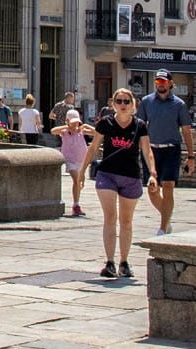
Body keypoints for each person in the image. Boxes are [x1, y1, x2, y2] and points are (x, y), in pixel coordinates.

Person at [82, 86, 157, 279]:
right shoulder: (105, 123)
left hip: (131, 175)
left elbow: (147, 151)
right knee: (110, 217)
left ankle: (124, 261)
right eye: (119, 101)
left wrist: (153, 174)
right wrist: (81, 171)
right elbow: (93, 147)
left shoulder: (140, 126)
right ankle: (109, 262)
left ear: (133, 104)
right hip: (107, 173)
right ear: (113, 104)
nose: (123, 105)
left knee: (126, 221)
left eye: (126, 101)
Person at [136, 71, 194, 235]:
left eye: (163, 81)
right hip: (151, 151)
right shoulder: (147, 102)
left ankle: (163, 227)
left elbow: (187, 130)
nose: (161, 84)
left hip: (171, 149)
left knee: (168, 186)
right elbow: (139, 128)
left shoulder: (179, 104)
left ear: (170, 83)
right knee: (152, 190)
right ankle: (167, 218)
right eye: (158, 81)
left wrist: (191, 157)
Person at [53, 110, 92, 216]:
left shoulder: (80, 131)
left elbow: (96, 132)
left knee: (79, 183)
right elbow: (53, 130)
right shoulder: (65, 131)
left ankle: (76, 204)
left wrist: (85, 126)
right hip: (70, 160)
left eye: (77, 122)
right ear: (68, 121)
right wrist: (66, 127)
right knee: (76, 180)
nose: (75, 124)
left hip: (81, 159)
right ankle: (76, 205)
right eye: (73, 122)